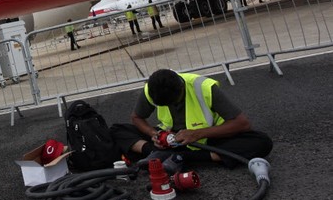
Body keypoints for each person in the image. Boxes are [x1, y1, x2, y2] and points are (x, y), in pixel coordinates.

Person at [110, 69, 272, 169]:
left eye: (173, 103)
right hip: (170, 140)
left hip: (208, 141)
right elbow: (137, 117)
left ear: (181, 89)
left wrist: (197, 134)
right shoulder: (151, 89)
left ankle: (182, 157)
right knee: (117, 130)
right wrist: (154, 134)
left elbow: (242, 124)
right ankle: (159, 153)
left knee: (261, 142)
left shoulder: (203, 87)